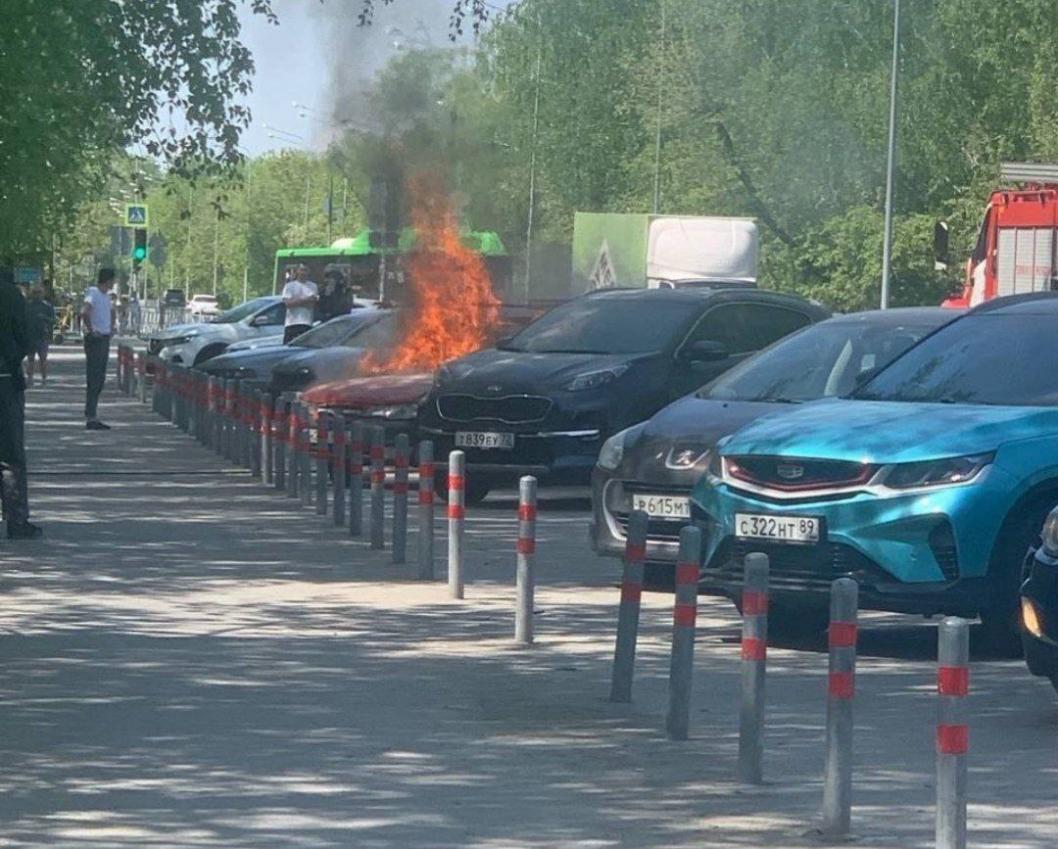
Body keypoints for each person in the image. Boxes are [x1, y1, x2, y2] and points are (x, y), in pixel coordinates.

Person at [0, 268, 41, 538]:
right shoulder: (10, 294)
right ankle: (16, 521)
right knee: (10, 454)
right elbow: (27, 338)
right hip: (4, 380)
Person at [81, 268, 115, 430]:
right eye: (112, 280)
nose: (113, 283)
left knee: (100, 378)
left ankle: (92, 413)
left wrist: (111, 328)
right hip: (96, 339)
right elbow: (85, 311)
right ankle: (91, 416)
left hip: (104, 338)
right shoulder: (93, 292)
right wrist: (91, 330)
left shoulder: (106, 297)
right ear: (107, 280)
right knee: (95, 378)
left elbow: (110, 313)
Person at [24, 284, 56, 387]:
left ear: (43, 294)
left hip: (43, 336)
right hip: (30, 336)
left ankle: (44, 379)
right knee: (30, 359)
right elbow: (22, 320)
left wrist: (45, 318)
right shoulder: (27, 306)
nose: (37, 295)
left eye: (39, 292)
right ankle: (30, 378)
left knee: (43, 359)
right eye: (35, 292)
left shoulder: (47, 306)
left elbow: (54, 320)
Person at [281, 263, 318, 343]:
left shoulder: (313, 286)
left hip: (306, 323)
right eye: (301, 270)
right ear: (297, 271)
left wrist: (296, 300)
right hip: (291, 323)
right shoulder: (289, 286)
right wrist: (306, 299)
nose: (303, 272)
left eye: (305, 270)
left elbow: (311, 305)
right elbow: (288, 304)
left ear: (309, 272)